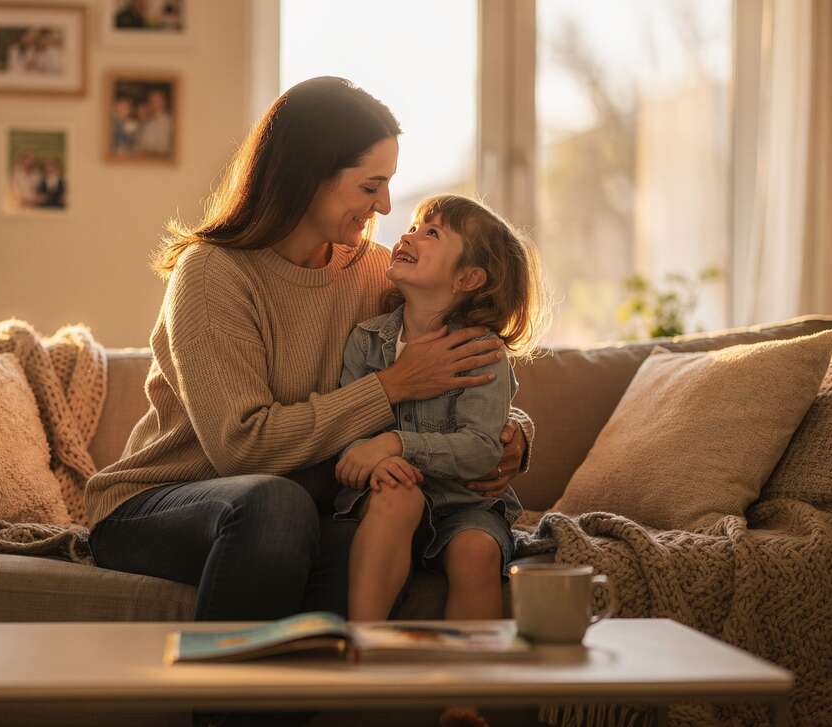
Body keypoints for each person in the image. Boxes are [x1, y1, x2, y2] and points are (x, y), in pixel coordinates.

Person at [84, 77, 533, 625]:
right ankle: (223, 711)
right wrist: (389, 388)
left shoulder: (373, 271)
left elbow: (444, 353)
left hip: (298, 510)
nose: (386, 205)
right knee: (277, 507)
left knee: (379, 538)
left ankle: (328, 696)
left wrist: (510, 435)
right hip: (165, 502)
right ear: (308, 179)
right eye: (371, 186)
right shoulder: (211, 274)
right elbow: (241, 449)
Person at [333, 195, 545, 727]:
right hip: (391, 491)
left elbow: (481, 449)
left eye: (431, 233)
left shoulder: (483, 353)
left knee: (475, 549)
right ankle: (366, 654)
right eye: (412, 226)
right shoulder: (367, 340)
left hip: (464, 503)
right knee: (395, 498)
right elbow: (349, 428)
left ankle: (464, 701)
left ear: (469, 279)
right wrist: (374, 459)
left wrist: (400, 444)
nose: (407, 236)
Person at [135, 88, 173, 155]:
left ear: (164, 102)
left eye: (158, 100)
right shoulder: (147, 122)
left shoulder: (168, 122)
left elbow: (163, 150)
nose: (154, 103)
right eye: (152, 100)